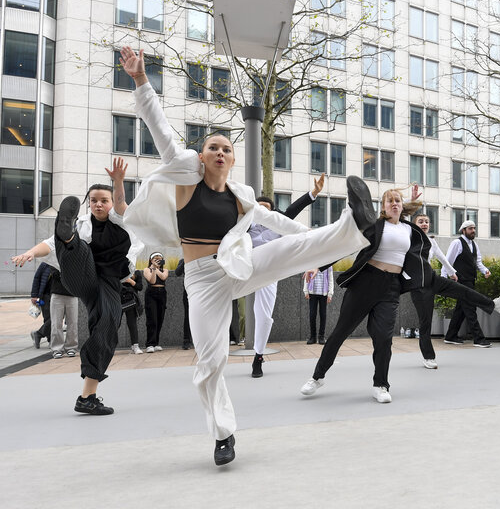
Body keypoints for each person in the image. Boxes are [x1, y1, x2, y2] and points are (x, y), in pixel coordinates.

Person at [119, 46, 374, 466]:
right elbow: (160, 128)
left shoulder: (241, 197)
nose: (220, 152)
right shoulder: (186, 177)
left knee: (293, 247)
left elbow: (282, 227)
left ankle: (353, 225)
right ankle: (223, 435)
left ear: (233, 160)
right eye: (213, 147)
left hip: (237, 266)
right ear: (202, 156)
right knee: (211, 360)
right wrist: (141, 80)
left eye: (227, 149)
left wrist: (316, 241)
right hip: (202, 281)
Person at [300, 186, 500, 401]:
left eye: (397, 200)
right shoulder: (374, 226)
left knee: (384, 339)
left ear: (402, 205)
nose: (394, 203)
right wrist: (319, 266)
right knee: (339, 333)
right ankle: (317, 376)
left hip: (390, 288)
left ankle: (381, 385)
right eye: (389, 201)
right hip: (364, 284)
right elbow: (347, 246)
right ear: (383, 207)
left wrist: (413, 203)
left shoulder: (409, 230)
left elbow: (410, 231)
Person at [11, 156, 141, 416]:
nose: (98, 205)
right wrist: (28, 253)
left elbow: (120, 203)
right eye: (93, 201)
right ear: (88, 203)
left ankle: (87, 396)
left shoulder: (121, 220)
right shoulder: (82, 224)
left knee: (107, 325)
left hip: (108, 283)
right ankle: (66, 236)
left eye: (103, 200)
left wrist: (118, 182)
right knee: (74, 245)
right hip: (82, 275)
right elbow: (48, 245)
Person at [249, 175, 325, 378]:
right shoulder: (245, 226)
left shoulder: (278, 225)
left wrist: (314, 193)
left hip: (268, 273)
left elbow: (292, 211)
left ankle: (258, 356)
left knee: (263, 316)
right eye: (259, 208)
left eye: (267, 207)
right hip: (243, 269)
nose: (263, 210)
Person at [410, 213, 500, 368]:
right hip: (418, 284)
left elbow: (443, 258)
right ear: (414, 224)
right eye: (420, 222)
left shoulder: (431, 241)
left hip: (432, 278)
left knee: (464, 291)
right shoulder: (408, 240)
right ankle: (428, 357)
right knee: (425, 321)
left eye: (427, 221)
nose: (424, 224)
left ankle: (493, 305)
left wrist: (451, 273)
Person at [442, 220, 493, 348]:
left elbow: (478, 262)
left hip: (470, 281)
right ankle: (479, 338)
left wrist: (485, 270)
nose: (473, 231)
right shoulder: (457, 243)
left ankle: (450, 336)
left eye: (474, 228)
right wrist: (443, 278)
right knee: (470, 309)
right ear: (463, 230)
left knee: (461, 309)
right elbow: (447, 261)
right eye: (470, 229)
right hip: (461, 282)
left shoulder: (474, 244)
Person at [48, 267, 79, 358]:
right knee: (56, 323)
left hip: (73, 294)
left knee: (73, 322)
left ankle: (71, 347)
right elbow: (55, 274)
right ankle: (57, 349)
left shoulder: (75, 260)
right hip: (57, 294)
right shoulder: (55, 260)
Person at [143, 252, 168, 353]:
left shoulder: (164, 270)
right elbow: (152, 281)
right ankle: (150, 344)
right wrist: (153, 268)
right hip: (151, 293)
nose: (157, 261)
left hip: (162, 293)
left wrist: (156, 268)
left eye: (159, 259)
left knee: (160, 318)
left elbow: (163, 277)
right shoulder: (146, 270)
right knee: (152, 319)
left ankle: (156, 343)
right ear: (151, 260)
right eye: (155, 259)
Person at [304, 266, 333, 345]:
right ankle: (313, 337)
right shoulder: (312, 262)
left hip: (323, 294)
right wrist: (306, 290)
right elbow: (307, 276)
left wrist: (330, 294)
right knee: (312, 315)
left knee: (323, 315)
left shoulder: (328, 265)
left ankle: (321, 336)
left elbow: (330, 279)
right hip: (312, 293)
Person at [29, 262, 52, 349]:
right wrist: (34, 295)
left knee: (56, 318)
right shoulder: (45, 264)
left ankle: (38, 334)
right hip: (44, 296)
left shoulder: (62, 263)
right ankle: (50, 340)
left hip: (57, 294)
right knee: (48, 318)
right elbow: (37, 278)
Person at [120, 270, 144, 354]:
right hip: (118, 299)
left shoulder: (136, 272)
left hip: (130, 300)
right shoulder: (117, 270)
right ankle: (109, 346)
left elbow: (140, 287)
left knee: (132, 323)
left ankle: (135, 346)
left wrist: (130, 281)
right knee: (115, 323)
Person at [174, 259, 193, 350]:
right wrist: (186, 260)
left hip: (202, 290)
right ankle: (186, 341)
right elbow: (177, 272)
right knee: (188, 316)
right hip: (188, 291)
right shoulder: (184, 260)